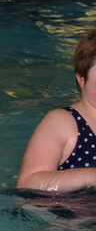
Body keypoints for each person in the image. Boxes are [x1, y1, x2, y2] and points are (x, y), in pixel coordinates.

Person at [17, 30, 96, 193]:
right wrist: (91, 177)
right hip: (70, 217)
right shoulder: (62, 122)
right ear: (82, 79)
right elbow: (28, 184)